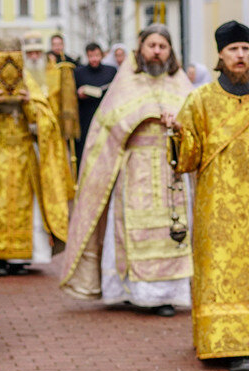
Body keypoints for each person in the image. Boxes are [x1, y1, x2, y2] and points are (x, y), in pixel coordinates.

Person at [162, 20, 249, 371]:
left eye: (245, 49)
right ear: (220, 55)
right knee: (216, 271)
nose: (240, 56)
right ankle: (220, 343)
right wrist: (178, 133)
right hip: (216, 207)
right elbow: (188, 156)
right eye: (233, 50)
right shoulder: (200, 100)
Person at [60, 24, 193, 317]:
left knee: (173, 231)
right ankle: (132, 291)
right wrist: (140, 117)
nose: (157, 51)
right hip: (134, 168)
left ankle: (167, 294)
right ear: (140, 49)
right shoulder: (126, 82)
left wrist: (181, 124)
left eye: (163, 46)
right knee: (131, 230)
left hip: (173, 169)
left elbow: (200, 124)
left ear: (171, 51)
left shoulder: (181, 83)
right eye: (152, 45)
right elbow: (105, 128)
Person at [0, 36, 71, 276]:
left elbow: (47, 121)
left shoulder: (28, 81)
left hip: (23, 153)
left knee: (26, 204)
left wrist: (29, 103)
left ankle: (22, 257)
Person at [73, 42, 116, 159]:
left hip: (105, 116)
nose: (94, 59)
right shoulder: (79, 72)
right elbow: (72, 95)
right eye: (91, 56)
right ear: (87, 56)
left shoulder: (111, 71)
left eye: (97, 55)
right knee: (85, 152)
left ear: (101, 55)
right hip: (86, 118)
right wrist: (79, 94)